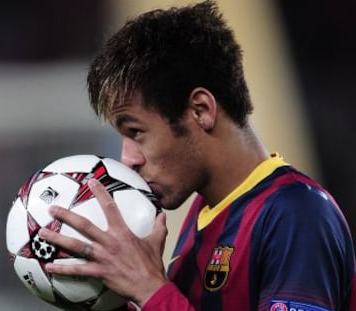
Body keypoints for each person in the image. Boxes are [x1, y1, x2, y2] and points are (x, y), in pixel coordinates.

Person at [38, 1, 356, 310]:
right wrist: (114, 294)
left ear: (200, 110)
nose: (128, 159)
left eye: (135, 132)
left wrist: (150, 289)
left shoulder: (296, 214)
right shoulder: (205, 212)